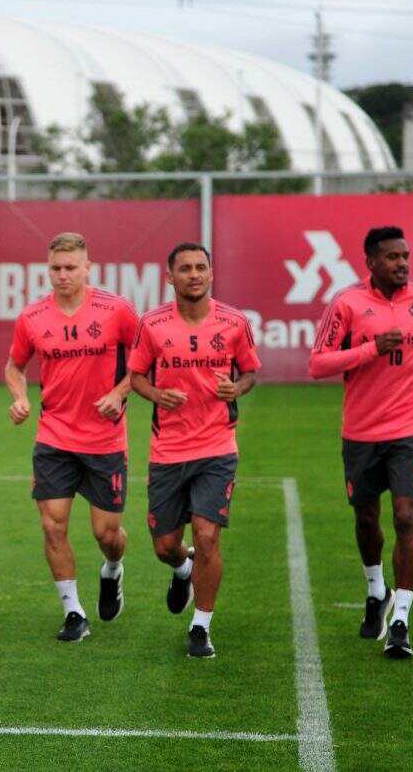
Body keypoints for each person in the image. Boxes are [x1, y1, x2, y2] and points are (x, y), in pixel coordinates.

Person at [309, 226, 413, 659]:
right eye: (392, 257)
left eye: (405, 256)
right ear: (370, 262)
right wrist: (370, 349)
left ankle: (401, 621)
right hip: (362, 431)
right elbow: (317, 364)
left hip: (411, 426)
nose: (402, 264)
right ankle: (376, 589)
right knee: (367, 518)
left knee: (406, 517)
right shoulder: (348, 303)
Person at [5, 233, 139, 642]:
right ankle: (73, 612)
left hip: (105, 440)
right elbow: (14, 367)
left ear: (87, 268)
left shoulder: (117, 310)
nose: (62, 276)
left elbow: (145, 361)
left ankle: (112, 569)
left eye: (70, 268)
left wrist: (118, 393)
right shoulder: (32, 317)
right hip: (54, 436)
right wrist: (19, 397)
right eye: (55, 269)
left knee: (107, 534)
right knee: (53, 525)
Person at [128, 242, 260, 658]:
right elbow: (134, 377)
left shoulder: (234, 322)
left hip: (217, 447)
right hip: (168, 449)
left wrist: (235, 387)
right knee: (166, 546)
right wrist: (156, 394)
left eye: (200, 267)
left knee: (206, 536)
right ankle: (181, 570)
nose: (193, 274)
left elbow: (251, 372)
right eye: (184, 268)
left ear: (211, 273)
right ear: (170, 277)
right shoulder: (151, 325)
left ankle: (201, 626)